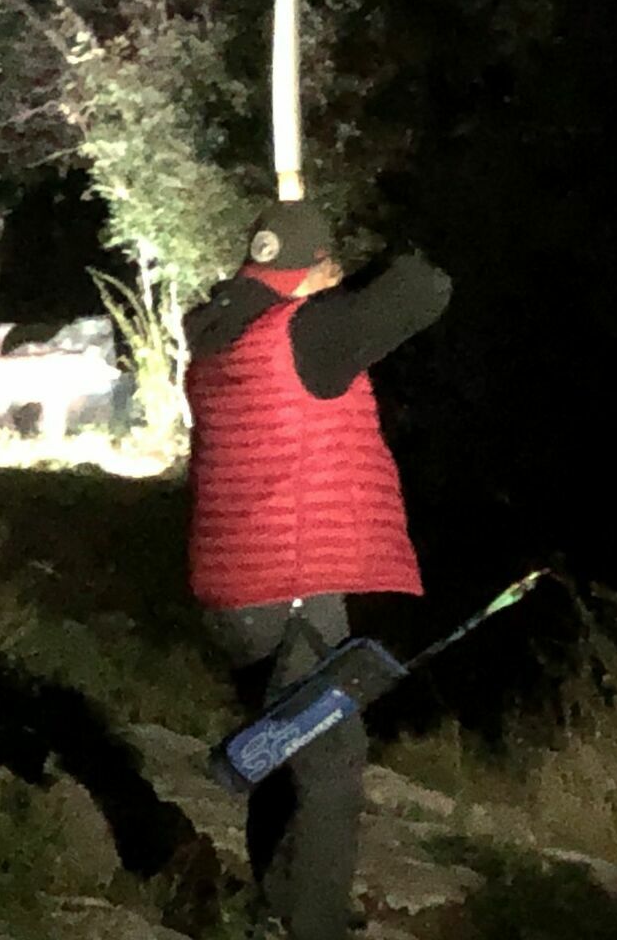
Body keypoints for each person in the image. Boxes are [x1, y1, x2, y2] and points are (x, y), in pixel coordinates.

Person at [182, 200, 451, 940]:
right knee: (333, 757)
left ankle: (277, 908)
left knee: (283, 741)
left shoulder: (218, 337)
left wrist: (323, 279)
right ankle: (316, 925)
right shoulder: (303, 333)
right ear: (307, 277)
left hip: (234, 586)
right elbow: (426, 290)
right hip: (290, 582)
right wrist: (391, 253)